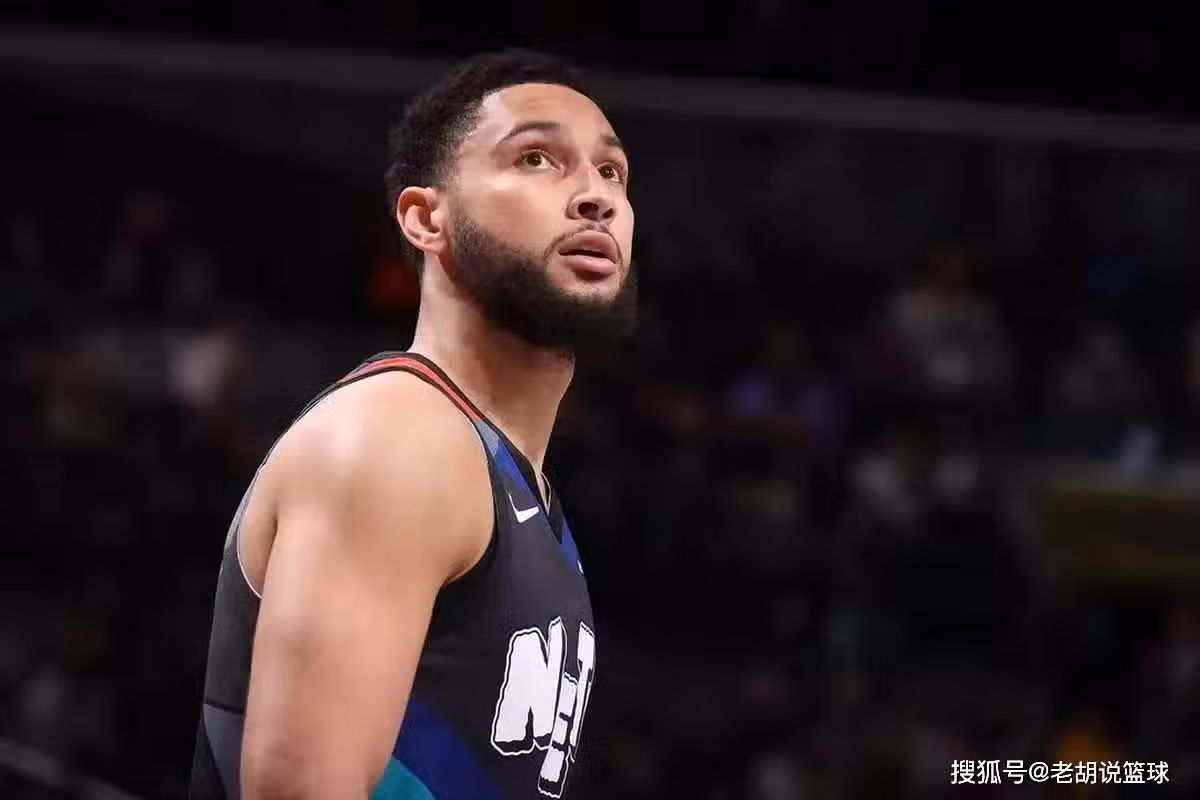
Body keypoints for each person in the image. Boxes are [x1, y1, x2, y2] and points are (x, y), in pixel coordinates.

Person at [189, 49, 637, 799]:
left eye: (612, 172)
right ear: (428, 219)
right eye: (536, 159)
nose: (595, 196)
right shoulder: (400, 437)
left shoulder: (513, 485)